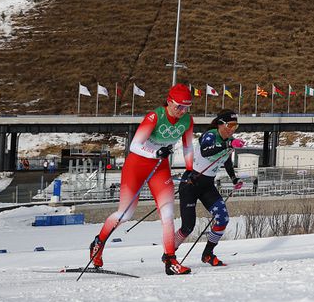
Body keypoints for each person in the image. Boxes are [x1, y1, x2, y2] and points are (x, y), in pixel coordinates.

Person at [89, 84, 196, 275]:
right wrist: (156, 151)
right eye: (179, 106)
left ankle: (170, 260)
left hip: (159, 168)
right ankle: (98, 243)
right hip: (136, 166)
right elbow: (135, 145)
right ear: (169, 101)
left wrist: (189, 169)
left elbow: (188, 146)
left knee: (168, 214)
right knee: (125, 215)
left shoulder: (187, 120)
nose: (182, 111)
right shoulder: (155, 116)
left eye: (186, 107)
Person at [173, 109, 245, 267]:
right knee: (187, 227)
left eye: (236, 126)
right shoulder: (211, 135)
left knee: (222, 218)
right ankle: (169, 254)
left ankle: (207, 254)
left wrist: (234, 179)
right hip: (191, 182)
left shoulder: (228, 140)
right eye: (230, 125)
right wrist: (228, 144)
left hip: (207, 185)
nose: (232, 129)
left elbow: (225, 160)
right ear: (221, 124)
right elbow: (206, 152)